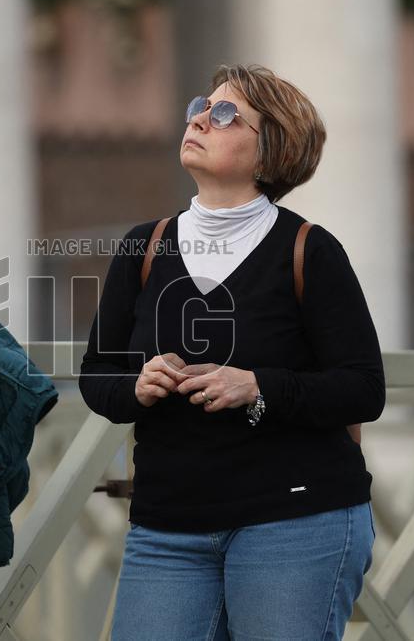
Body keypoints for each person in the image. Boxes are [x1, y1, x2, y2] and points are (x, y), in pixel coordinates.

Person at [79, 64, 383, 640]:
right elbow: (98, 376)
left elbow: (364, 388)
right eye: (201, 105)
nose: (198, 118)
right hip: (167, 526)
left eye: (224, 115)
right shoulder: (143, 247)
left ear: (270, 153)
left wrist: (259, 386)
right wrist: (137, 387)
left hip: (296, 521)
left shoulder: (310, 251)